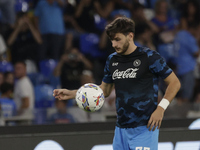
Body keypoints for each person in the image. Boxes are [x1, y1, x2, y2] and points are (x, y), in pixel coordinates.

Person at [53, 17, 181, 150]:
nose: (114, 44)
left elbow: (175, 83)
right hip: (121, 131)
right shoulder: (112, 60)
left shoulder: (150, 57)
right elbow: (104, 90)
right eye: (112, 40)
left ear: (130, 36)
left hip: (144, 128)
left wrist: (161, 108)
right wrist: (74, 93)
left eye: (117, 39)